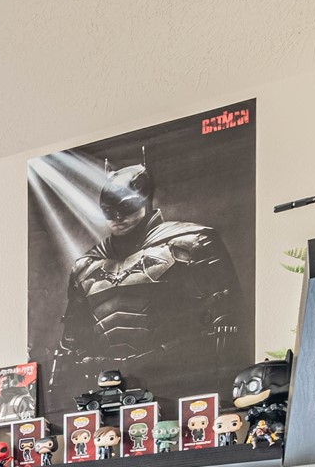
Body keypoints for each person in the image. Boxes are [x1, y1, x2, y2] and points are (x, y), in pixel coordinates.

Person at [51, 158, 240, 399]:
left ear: (145, 200)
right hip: (107, 390)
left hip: (180, 381)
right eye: (110, 210)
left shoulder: (192, 242)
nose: (118, 217)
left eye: (126, 207)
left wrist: (223, 394)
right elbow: (71, 343)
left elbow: (226, 322)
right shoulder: (86, 266)